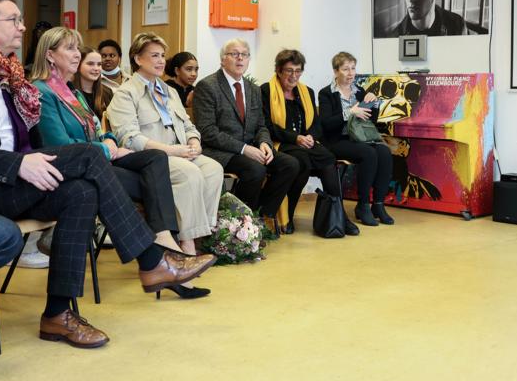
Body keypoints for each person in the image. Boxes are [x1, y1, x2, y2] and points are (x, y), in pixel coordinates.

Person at [0, 0, 216, 348]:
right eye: (13, 20)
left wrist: (26, 161)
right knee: (91, 157)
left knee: (83, 192)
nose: (22, 25)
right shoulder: (23, 83)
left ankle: (57, 315)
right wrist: (19, 163)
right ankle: (153, 258)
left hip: (20, 176)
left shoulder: (11, 76)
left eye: (21, 18)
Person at [31, 28, 209, 299]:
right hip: (72, 170)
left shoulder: (72, 92)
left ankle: (163, 242)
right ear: (50, 55)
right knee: (159, 176)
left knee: (156, 157)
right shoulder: (43, 92)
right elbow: (60, 146)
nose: (77, 53)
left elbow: (98, 130)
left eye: (77, 47)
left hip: (98, 160)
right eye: (69, 48)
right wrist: (106, 148)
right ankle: (165, 251)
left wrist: (110, 141)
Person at [106, 32, 224, 256]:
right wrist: (171, 151)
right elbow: (129, 138)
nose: (161, 61)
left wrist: (194, 141)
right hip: (153, 159)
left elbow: (188, 124)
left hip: (180, 152)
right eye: (154, 55)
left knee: (213, 168)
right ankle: (186, 245)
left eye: (162, 55)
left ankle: (199, 235)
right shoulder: (125, 94)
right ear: (138, 59)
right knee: (190, 173)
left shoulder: (168, 91)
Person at [193, 38, 300, 220]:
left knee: (290, 164)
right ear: (223, 59)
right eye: (234, 54)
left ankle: (259, 216)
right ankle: (237, 220)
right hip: (221, 151)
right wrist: (244, 149)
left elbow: (260, 125)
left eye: (244, 55)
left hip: (251, 147)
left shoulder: (253, 89)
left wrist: (265, 143)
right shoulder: (207, 86)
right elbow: (207, 131)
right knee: (255, 170)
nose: (240, 59)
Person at [260, 49, 359, 236]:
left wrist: (311, 136)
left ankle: (339, 215)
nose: (294, 75)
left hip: (305, 142)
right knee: (302, 162)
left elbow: (316, 124)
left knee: (328, 159)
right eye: (289, 70)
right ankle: (287, 216)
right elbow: (266, 126)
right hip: (280, 142)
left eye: (298, 71)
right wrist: (295, 138)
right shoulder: (266, 90)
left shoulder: (307, 92)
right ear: (279, 71)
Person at [318, 52, 394, 226]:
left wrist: (373, 104)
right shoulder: (326, 93)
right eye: (345, 69)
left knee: (383, 151)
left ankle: (379, 204)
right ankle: (363, 205)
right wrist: (349, 112)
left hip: (359, 137)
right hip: (336, 140)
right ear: (336, 71)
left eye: (353, 68)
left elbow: (371, 122)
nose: (351, 73)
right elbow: (326, 124)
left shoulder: (359, 91)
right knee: (369, 153)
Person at [72, 46, 112, 118]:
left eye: (99, 64)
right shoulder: (69, 92)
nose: (96, 68)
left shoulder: (107, 92)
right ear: (78, 65)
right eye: (90, 64)